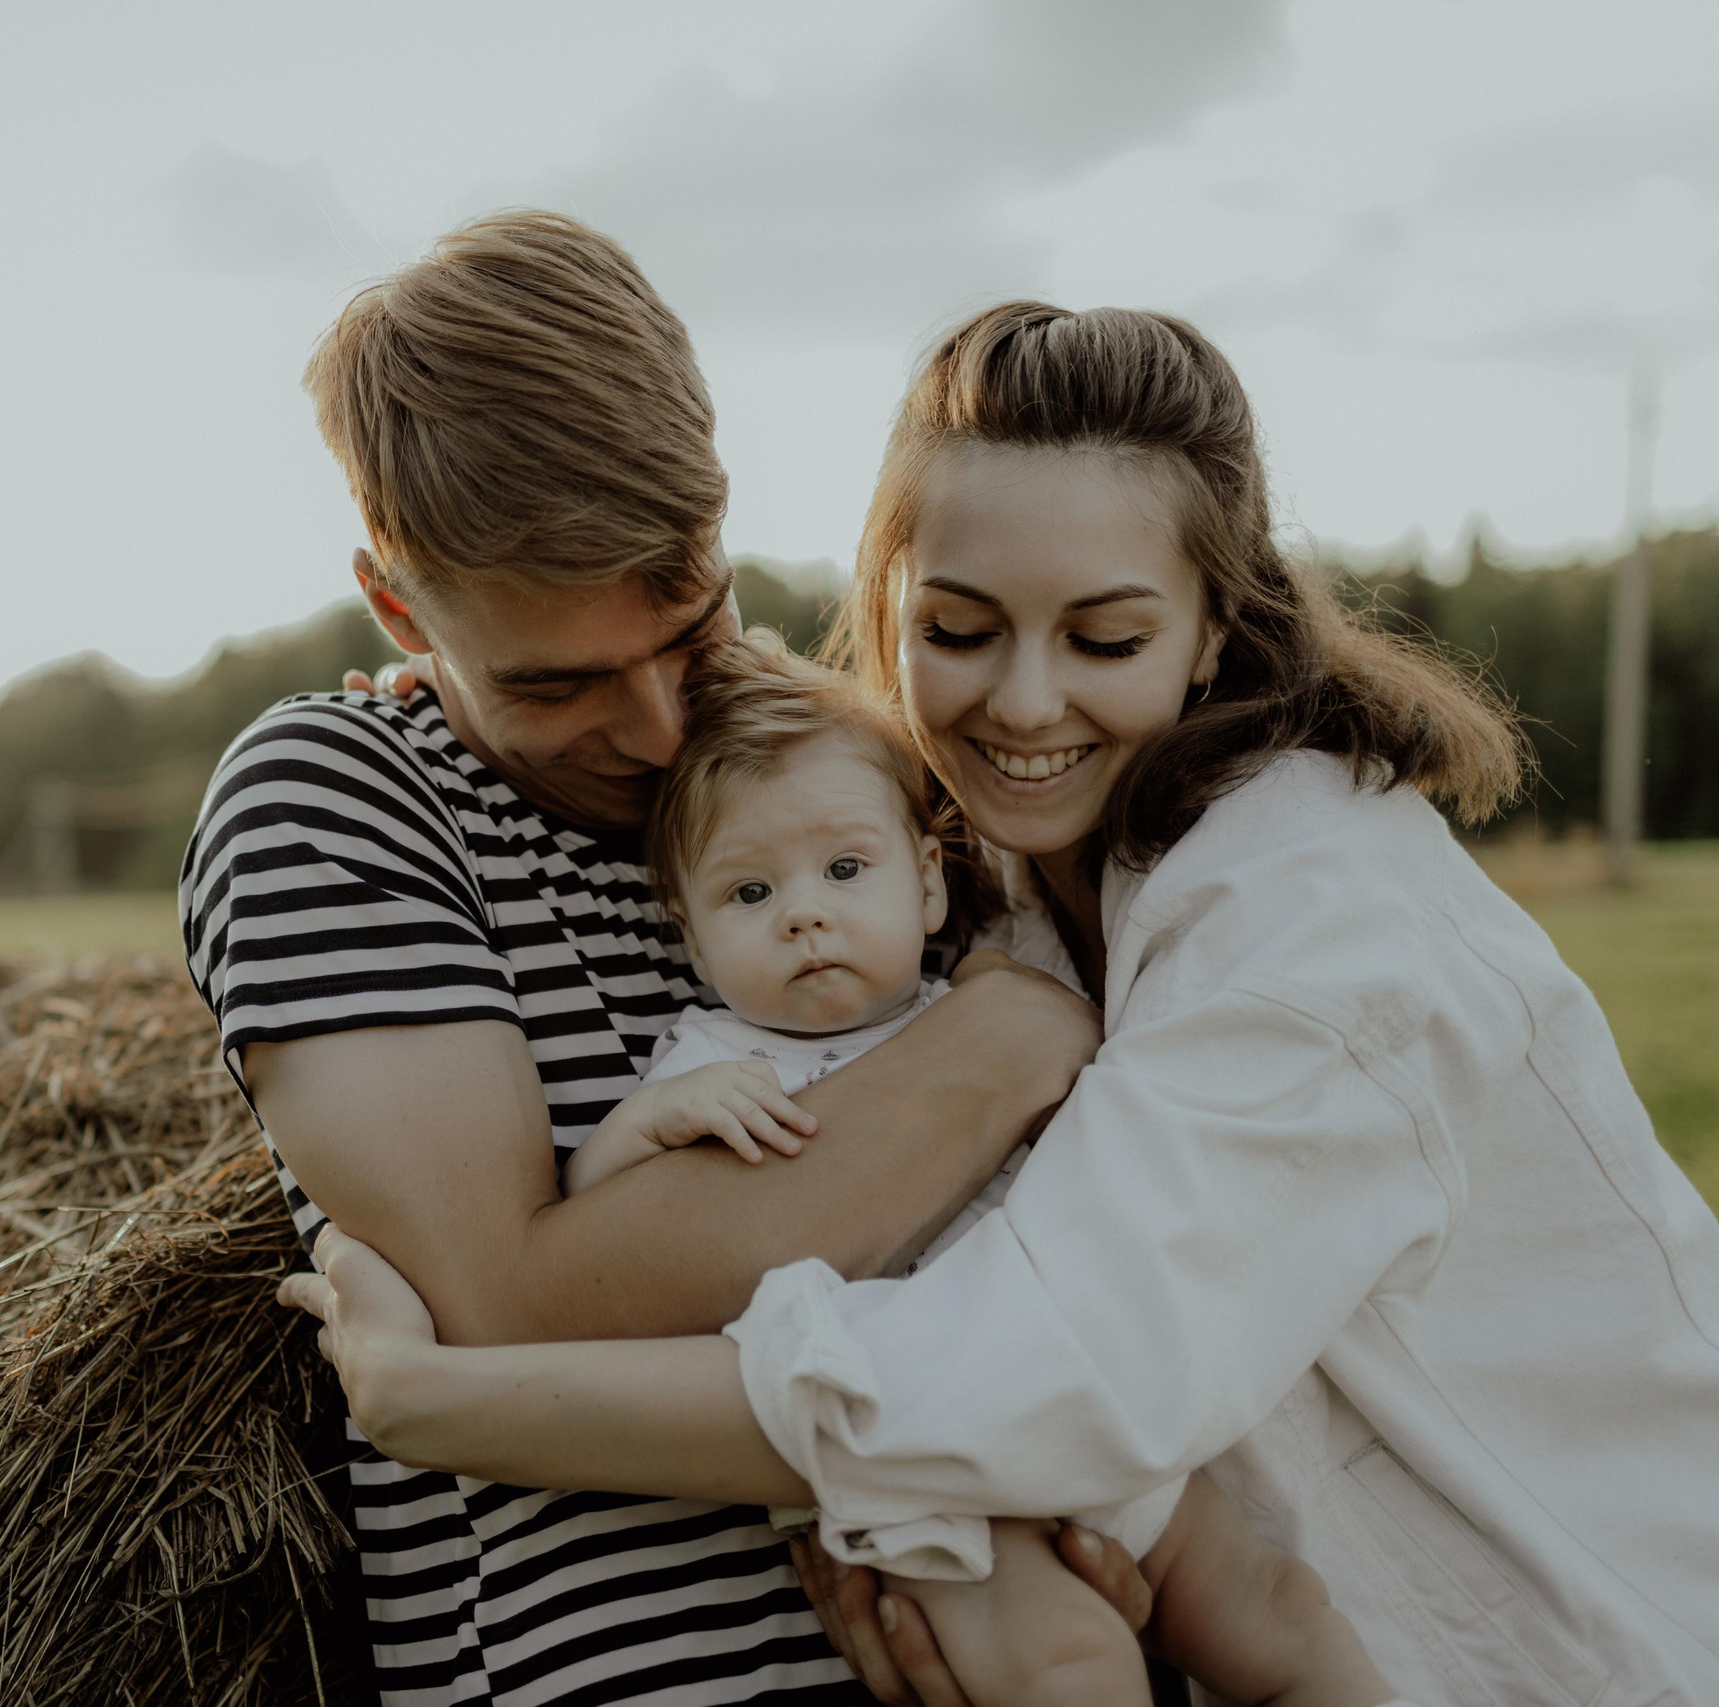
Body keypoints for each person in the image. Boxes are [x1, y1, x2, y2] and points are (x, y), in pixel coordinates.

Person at [281, 299, 1719, 1705]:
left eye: (1104, 639)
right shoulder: (994, 866)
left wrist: (437, 1404)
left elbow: (1051, 1370)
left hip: (1584, 1644)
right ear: (886, 608)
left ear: (1215, 626)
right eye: (960, 628)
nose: (1026, 705)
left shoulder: (1319, 913)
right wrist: (449, 687)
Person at [180, 215, 1127, 1703]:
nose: (661, 733)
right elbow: (520, 1307)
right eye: (554, 682)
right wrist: (1014, 1040)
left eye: (690, 626)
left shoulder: (806, 743)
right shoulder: (334, 801)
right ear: (397, 605)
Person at [534, 630, 1389, 1707]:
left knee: (1275, 1608)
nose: (803, 913)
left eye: (846, 871)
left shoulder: (976, 1008)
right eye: (748, 895)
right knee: (1064, 1662)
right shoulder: (712, 1064)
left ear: (927, 886)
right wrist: (649, 1126)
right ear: (690, 938)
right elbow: (587, 1238)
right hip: (913, 1454)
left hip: (1068, 1383)